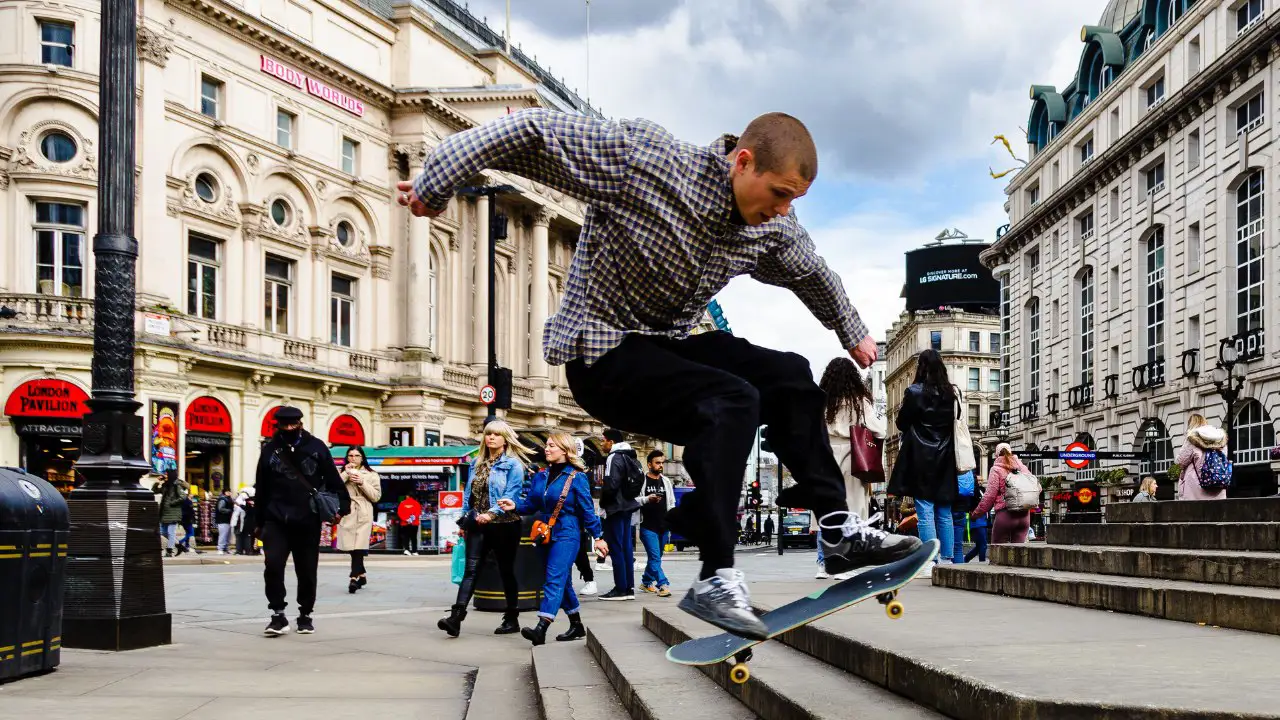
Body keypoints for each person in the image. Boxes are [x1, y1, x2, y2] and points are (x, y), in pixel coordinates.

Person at [399, 107, 920, 639]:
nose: (783, 210)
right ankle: (717, 577)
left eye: (794, 200)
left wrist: (852, 332)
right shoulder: (646, 161)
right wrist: (436, 182)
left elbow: (813, 273)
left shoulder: (773, 228)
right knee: (733, 398)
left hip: (669, 348)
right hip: (600, 353)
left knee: (789, 374)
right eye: (779, 193)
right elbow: (531, 131)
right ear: (742, 162)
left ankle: (836, 531)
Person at [499, 432, 608, 645]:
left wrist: (599, 537)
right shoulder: (540, 476)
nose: (547, 449)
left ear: (565, 450)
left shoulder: (577, 477)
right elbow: (531, 505)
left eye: (552, 446)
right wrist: (515, 506)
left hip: (568, 533)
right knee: (562, 581)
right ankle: (576, 624)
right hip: (545, 533)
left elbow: (587, 510)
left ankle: (542, 627)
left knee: (554, 578)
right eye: (547, 445)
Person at [254, 406, 351, 636]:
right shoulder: (270, 450)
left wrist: (343, 506)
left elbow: (333, 478)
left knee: (306, 569)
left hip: (307, 517)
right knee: (272, 565)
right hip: (276, 518)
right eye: (284, 425)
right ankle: (278, 614)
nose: (288, 428)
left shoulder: (316, 447)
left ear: (300, 423)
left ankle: (305, 613)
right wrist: (257, 522)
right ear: (277, 425)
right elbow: (262, 486)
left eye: (292, 424)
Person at [438, 420, 531, 637]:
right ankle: (456, 617)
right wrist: (464, 520)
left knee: (506, 571)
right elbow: (469, 496)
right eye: (488, 434)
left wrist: (491, 514)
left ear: (505, 439)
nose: (491, 438)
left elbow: (512, 493)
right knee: (471, 570)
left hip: (505, 525)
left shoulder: (513, 465)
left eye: (496, 435)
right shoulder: (476, 463)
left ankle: (511, 617)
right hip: (478, 525)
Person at [887, 349, 958, 571]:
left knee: (925, 510)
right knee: (944, 511)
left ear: (921, 368)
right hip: (946, 456)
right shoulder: (952, 393)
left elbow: (901, 423)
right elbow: (956, 420)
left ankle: (930, 560)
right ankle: (947, 558)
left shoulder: (914, 392)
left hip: (921, 456)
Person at [820, 357, 887, 521]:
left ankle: (826, 547)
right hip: (854, 460)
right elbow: (880, 432)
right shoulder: (859, 403)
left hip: (825, 459)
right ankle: (852, 545)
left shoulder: (819, 402)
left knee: (826, 514)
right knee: (854, 513)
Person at [599, 429, 641, 600]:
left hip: (615, 508)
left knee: (615, 547)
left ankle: (620, 589)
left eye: (603, 440)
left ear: (611, 442)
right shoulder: (630, 455)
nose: (602, 444)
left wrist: (603, 504)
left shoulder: (613, 457)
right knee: (626, 548)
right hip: (627, 506)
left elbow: (611, 484)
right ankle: (628, 587)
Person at [337, 446, 382, 593]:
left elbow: (376, 496)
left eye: (357, 455)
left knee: (359, 546)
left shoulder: (372, 474)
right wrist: (345, 474)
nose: (353, 458)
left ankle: (353, 578)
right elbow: (333, 488)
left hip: (364, 511)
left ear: (362, 458)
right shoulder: (341, 472)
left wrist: (362, 482)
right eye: (350, 455)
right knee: (351, 546)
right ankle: (361, 575)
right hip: (347, 511)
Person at [972, 443, 1032, 544]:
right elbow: (1037, 488)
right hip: (1024, 516)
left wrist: (976, 514)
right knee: (1018, 551)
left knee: (998, 550)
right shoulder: (1023, 468)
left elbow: (990, 496)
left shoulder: (996, 469)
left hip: (1006, 514)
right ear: (1011, 452)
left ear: (996, 455)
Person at [638, 449, 675, 596]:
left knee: (657, 558)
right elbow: (634, 501)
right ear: (649, 464)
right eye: (657, 463)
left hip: (663, 526)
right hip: (647, 526)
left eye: (662, 463)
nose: (660, 465)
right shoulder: (642, 481)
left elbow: (671, 503)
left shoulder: (666, 481)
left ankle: (646, 582)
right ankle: (663, 584)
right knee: (654, 557)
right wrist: (648, 499)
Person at [1176, 413, 1229, 501]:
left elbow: (1180, 461)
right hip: (1218, 485)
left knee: (1192, 514)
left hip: (1195, 489)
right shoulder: (1220, 439)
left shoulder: (1192, 439)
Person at [215, 489, 235, 555]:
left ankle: (226, 548)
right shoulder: (223, 499)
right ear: (225, 492)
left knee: (228, 535)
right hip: (223, 520)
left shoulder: (229, 499)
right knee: (223, 535)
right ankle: (220, 549)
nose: (229, 493)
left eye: (230, 491)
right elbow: (220, 509)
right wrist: (229, 510)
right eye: (228, 492)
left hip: (228, 520)